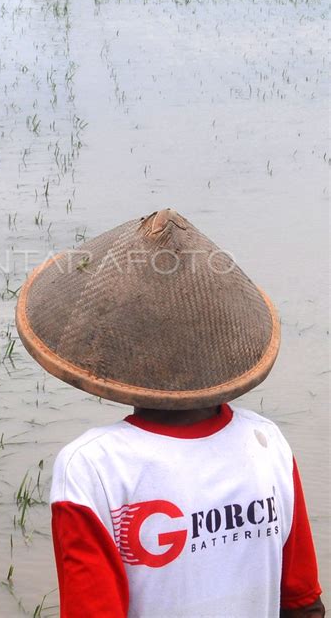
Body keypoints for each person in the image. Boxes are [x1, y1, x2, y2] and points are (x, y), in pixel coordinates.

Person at [16, 208, 325, 618]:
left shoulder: (94, 466)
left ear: (118, 348)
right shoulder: (267, 445)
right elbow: (303, 605)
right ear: (222, 343)